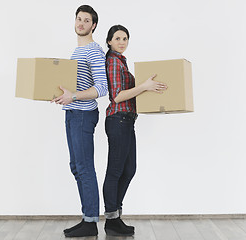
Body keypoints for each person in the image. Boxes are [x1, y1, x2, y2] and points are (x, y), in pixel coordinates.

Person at [103, 25, 167, 236]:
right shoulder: (112, 60)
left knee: (129, 170)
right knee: (115, 171)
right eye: (118, 38)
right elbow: (117, 96)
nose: (122, 42)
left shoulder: (122, 61)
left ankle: (115, 216)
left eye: (125, 38)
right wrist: (144, 87)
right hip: (118, 120)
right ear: (110, 41)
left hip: (127, 121)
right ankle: (112, 221)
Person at [51, 5, 108, 238]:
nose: (81, 23)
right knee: (76, 166)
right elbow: (75, 86)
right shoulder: (76, 52)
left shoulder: (94, 51)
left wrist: (73, 96)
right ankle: (88, 217)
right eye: (78, 19)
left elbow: (102, 87)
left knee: (84, 167)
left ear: (93, 25)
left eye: (86, 20)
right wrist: (63, 95)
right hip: (72, 113)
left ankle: (91, 221)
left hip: (83, 114)